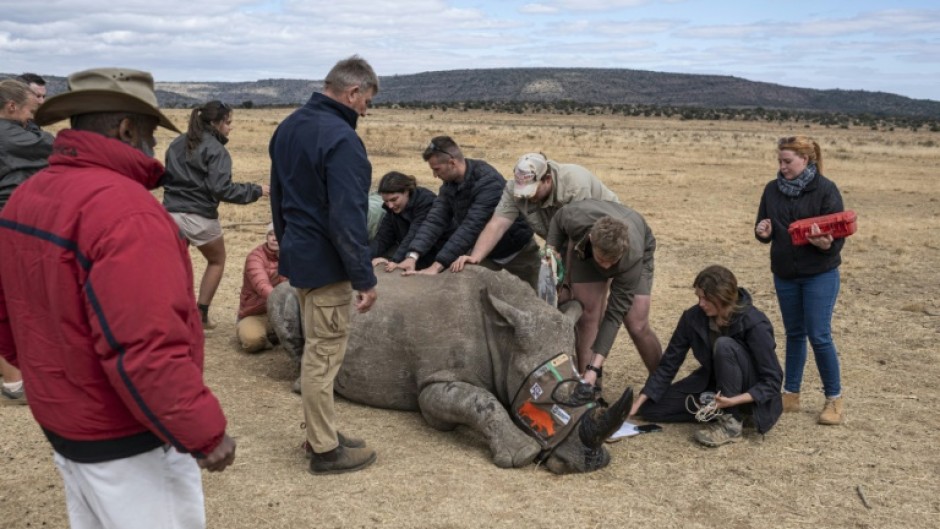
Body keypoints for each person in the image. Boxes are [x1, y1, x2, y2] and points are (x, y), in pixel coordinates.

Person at [0, 67, 235, 529]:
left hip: (65, 419)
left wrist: (44, 373)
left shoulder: (27, 196)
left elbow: (10, 309)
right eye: (148, 132)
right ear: (127, 128)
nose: (151, 146)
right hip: (125, 434)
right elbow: (147, 347)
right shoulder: (128, 212)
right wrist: (203, 432)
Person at [269, 55, 379, 475]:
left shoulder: (289, 126)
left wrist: (289, 246)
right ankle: (325, 450)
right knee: (323, 355)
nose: (366, 110)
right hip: (327, 265)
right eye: (366, 101)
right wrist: (363, 276)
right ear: (352, 93)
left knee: (319, 351)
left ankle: (323, 432)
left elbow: (279, 198)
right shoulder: (342, 140)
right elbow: (347, 216)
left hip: (300, 257)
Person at [628, 265, 783, 447]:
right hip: (713, 384)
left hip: (748, 390)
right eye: (699, 297)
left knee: (724, 345)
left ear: (723, 297)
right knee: (652, 409)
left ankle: (732, 423)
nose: (700, 303)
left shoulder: (755, 323)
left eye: (706, 298)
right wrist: (640, 401)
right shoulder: (692, 318)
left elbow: (773, 380)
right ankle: (716, 410)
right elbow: (669, 363)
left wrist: (733, 401)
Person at [755, 135, 847, 425]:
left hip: (819, 273)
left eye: (788, 161)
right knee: (794, 334)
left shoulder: (825, 190)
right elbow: (761, 227)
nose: (782, 167)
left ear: (805, 160)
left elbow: (838, 235)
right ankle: (790, 394)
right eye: (780, 161)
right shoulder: (772, 190)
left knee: (819, 335)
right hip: (785, 274)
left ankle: (834, 399)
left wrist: (826, 245)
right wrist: (763, 231)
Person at [162, 100, 269, 328]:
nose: (231, 128)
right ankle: (200, 314)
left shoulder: (176, 144)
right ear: (216, 123)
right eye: (228, 123)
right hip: (200, 216)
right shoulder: (217, 150)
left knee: (173, 266)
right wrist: (258, 190)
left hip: (169, 215)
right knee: (217, 260)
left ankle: (168, 314)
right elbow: (221, 189)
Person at [395, 136, 539, 288]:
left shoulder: (487, 181)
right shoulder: (449, 186)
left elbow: (471, 226)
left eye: (437, 169)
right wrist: (412, 256)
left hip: (518, 253)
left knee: (532, 300)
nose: (435, 175)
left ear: (452, 162)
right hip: (483, 254)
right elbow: (434, 221)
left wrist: (436, 266)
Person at [545, 199, 662, 385]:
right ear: (591, 239)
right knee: (587, 315)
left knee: (636, 323)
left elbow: (614, 315)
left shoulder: (631, 257)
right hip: (586, 254)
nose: (607, 267)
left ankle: (661, 383)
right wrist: (550, 250)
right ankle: (589, 387)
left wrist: (596, 366)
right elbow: (558, 219)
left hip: (634, 248)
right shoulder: (576, 217)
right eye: (603, 260)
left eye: (611, 261)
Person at [451, 151, 619, 273]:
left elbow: (578, 235)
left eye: (531, 191)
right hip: (567, 243)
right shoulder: (513, 189)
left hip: (606, 241)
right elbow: (498, 224)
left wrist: (558, 262)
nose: (528, 198)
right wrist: (476, 257)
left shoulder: (574, 184)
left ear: (546, 179)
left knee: (588, 300)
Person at [0, 78, 54, 405]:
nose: (32, 117)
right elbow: (50, 145)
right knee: (9, 302)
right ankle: (14, 381)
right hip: (8, 225)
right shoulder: (11, 135)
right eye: (29, 110)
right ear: (11, 107)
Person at [371, 171, 445, 271]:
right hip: (410, 250)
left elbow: (415, 234)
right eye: (386, 201)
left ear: (406, 192)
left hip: (436, 252)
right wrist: (365, 259)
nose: (390, 206)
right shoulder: (392, 209)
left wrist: (395, 261)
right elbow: (383, 237)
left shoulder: (426, 201)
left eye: (394, 199)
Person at [237, 223, 289, 352]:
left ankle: (278, 334)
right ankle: (270, 336)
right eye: (270, 234)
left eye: (278, 234)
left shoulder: (292, 254)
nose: (274, 238)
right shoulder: (255, 257)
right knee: (252, 341)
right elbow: (262, 286)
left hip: (286, 312)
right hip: (256, 314)